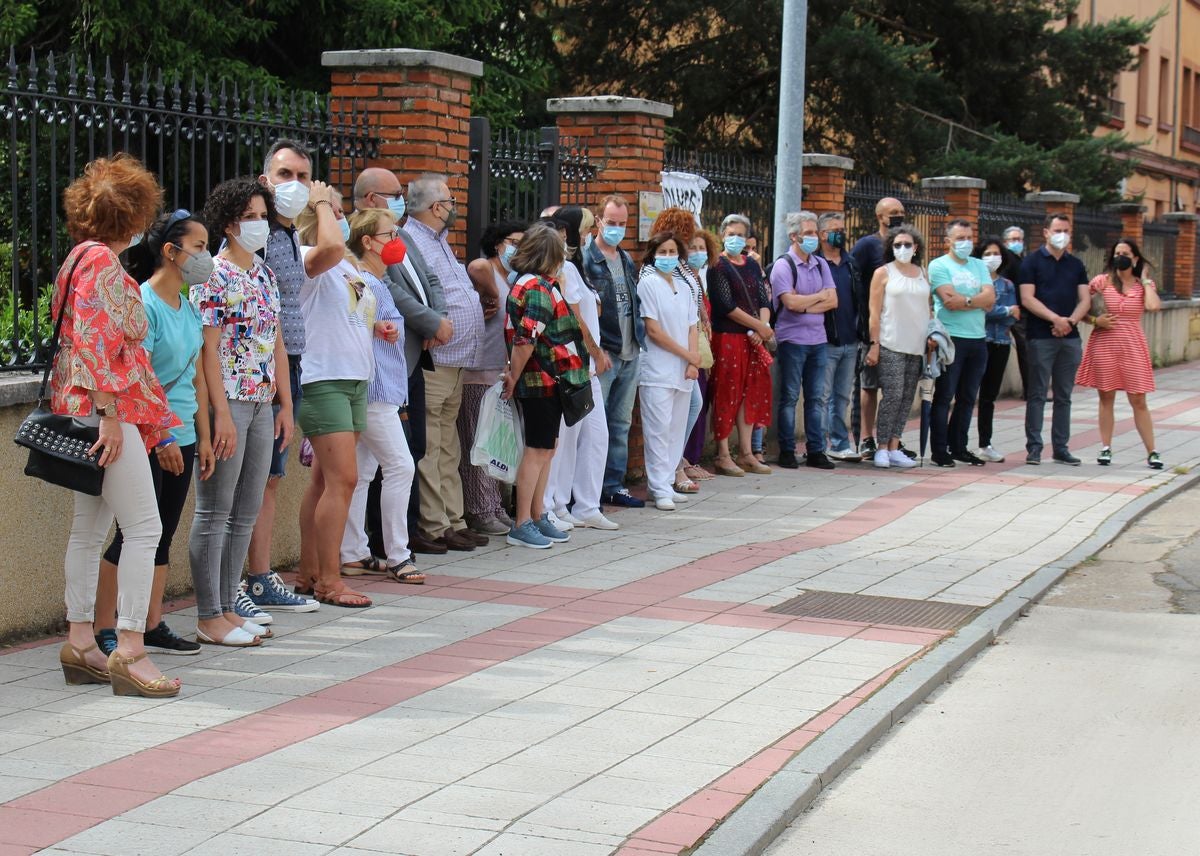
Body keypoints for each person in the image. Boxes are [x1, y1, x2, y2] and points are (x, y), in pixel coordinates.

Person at [51, 154, 182, 697]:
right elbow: (97, 345)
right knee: (144, 527)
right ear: (135, 215)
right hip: (107, 412)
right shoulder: (104, 266)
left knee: (89, 529)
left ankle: (81, 639)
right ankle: (129, 648)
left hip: (81, 407)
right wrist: (110, 417)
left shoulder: (77, 260)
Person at [93, 210, 214, 658]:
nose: (207, 257)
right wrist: (159, 437)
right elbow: (136, 379)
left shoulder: (189, 306)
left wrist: (200, 435)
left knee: (160, 533)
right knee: (132, 533)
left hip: (180, 431)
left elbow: (197, 376)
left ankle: (151, 621)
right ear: (171, 251)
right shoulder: (143, 304)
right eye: (200, 248)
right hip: (147, 434)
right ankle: (106, 625)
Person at [193, 178, 293, 647]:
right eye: (249, 217)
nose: (259, 225)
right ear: (229, 223)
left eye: (262, 216)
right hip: (229, 400)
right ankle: (209, 611)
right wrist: (220, 414)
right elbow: (207, 350)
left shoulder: (264, 273)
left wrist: (285, 404)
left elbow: (275, 341)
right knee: (216, 510)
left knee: (246, 509)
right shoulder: (213, 275)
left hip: (261, 400)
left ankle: (230, 608)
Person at [241, 140, 329, 619]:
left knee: (271, 478)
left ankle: (260, 575)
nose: (292, 185)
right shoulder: (254, 235)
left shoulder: (289, 234)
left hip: (287, 364)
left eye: (301, 177)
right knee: (252, 480)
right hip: (255, 369)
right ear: (264, 180)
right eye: (284, 175)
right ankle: (242, 579)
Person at [290, 192, 385, 608]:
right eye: (336, 211)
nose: (343, 218)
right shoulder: (309, 254)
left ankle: (310, 572)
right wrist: (322, 204)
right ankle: (330, 580)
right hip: (323, 377)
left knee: (326, 481)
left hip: (353, 378)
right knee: (344, 479)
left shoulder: (346, 265)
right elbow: (328, 247)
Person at [352, 167, 450, 557]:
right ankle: (391, 548)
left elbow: (432, 281)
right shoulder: (362, 268)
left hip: (406, 367)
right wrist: (427, 321)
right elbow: (388, 298)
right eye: (394, 194)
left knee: (403, 456)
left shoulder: (401, 236)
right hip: (376, 381)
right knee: (395, 463)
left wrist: (436, 320)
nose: (401, 202)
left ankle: (370, 545)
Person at [339, 208, 425, 582]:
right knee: (400, 466)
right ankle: (398, 555)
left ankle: (353, 551)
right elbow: (357, 325)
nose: (397, 242)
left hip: (378, 388)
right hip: (375, 390)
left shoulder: (373, 281)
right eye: (389, 235)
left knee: (363, 472)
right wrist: (379, 328)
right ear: (368, 242)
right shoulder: (366, 282)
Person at [405, 173, 487, 551]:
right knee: (433, 444)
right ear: (437, 207)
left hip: (456, 360)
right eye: (451, 201)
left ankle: (454, 518)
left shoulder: (438, 240)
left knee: (449, 444)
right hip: (436, 357)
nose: (454, 207)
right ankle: (436, 524)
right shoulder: (411, 241)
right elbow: (418, 296)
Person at [503, 222, 589, 547]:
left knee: (546, 449)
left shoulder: (537, 284)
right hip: (540, 380)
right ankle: (522, 521)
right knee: (537, 451)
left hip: (548, 381)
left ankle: (537, 515)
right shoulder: (536, 288)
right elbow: (527, 338)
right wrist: (513, 376)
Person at [544, 206, 619, 530]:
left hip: (585, 367)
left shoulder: (576, 269)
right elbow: (575, 318)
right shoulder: (566, 271)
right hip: (574, 364)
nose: (589, 235)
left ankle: (586, 504)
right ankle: (553, 504)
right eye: (587, 229)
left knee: (595, 437)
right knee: (564, 439)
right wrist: (595, 351)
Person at [1077, 239, 1164, 469]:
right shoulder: (1102, 281)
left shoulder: (1143, 285)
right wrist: (1095, 320)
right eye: (1117, 253)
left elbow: (1154, 306)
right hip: (1105, 343)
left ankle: (1152, 451)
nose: (1120, 257)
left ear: (1135, 258)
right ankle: (1105, 447)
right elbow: (1080, 305)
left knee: (1138, 398)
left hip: (1133, 345)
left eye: (1125, 253)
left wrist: (1144, 279)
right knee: (1106, 396)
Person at [583, 194, 646, 509]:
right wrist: (595, 350)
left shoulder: (626, 259)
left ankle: (613, 485)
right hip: (604, 352)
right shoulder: (586, 258)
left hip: (630, 351)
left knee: (621, 424)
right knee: (593, 425)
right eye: (611, 223)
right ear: (598, 221)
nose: (617, 229)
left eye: (622, 224)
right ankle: (586, 491)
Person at [463, 220, 525, 536]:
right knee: (478, 440)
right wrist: (488, 293)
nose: (519, 249)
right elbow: (475, 268)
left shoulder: (513, 279)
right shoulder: (486, 269)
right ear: (499, 243)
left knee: (496, 442)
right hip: (477, 370)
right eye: (515, 242)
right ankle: (479, 508)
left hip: (500, 372)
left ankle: (495, 505)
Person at [1019, 214, 1089, 466]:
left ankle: (1061, 447)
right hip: (1040, 336)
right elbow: (1027, 298)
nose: (1063, 235)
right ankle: (1034, 448)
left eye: (1067, 230)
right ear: (1046, 232)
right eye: (1058, 230)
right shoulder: (1032, 262)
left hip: (1070, 338)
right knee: (1037, 394)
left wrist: (1068, 322)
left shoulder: (1076, 264)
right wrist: (1054, 319)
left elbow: (1085, 299)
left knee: (1064, 395)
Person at [770, 211, 838, 470]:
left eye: (814, 233)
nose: (813, 238)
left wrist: (806, 304)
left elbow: (833, 300)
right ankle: (787, 450)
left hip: (818, 340)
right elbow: (789, 302)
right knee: (789, 397)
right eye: (808, 233)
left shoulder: (820, 264)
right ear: (794, 236)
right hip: (792, 340)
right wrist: (818, 297)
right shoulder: (784, 265)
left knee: (817, 398)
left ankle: (816, 450)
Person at [637, 232, 700, 510]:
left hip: (683, 371)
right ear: (653, 254)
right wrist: (688, 355)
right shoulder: (648, 284)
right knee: (658, 430)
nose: (667, 257)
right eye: (661, 252)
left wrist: (692, 361)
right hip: (657, 369)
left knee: (675, 429)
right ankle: (658, 487)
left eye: (672, 252)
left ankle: (667, 482)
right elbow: (653, 331)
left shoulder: (685, 287)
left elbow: (692, 326)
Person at [707, 213, 773, 476]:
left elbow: (763, 299)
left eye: (740, 235)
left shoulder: (753, 265)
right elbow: (725, 305)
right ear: (722, 235)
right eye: (731, 234)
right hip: (729, 338)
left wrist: (763, 328)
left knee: (749, 392)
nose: (736, 239)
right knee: (727, 393)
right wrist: (759, 327)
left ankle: (746, 452)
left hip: (754, 339)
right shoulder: (717, 265)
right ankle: (723, 453)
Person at [650, 207, 709, 493]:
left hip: (687, 352)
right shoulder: (653, 275)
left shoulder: (685, 269)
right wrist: (689, 354)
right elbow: (654, 326)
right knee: (666, 420)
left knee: (690, 407)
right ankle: (672, 468)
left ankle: (675, 463)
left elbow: (692, 308)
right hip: (667, 358)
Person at [927, 219, 995, 467]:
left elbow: (991, 298)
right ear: (948, 242)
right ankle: (939, 449)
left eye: (969, 237)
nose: (966, 242)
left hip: (978, 339)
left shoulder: (979, 265)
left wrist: (965, 301)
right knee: (945, 395)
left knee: (968, 397)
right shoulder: (938, 266)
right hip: (952, 338)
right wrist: (976, 300)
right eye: (960, 238)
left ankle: (959, 446)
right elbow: (948, 302)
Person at [864, 224, 931, 469]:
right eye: (897, 245)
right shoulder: (884, 273)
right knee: (892, 395)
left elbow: (928, 307)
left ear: (916, 248)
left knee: (906, 397)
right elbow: (874, 312)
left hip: (917, 344)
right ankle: (881, 446)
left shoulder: (923, 272)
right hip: (891, 342)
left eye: (907, 244)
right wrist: (875, 344)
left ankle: (895, 445)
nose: (902, 249)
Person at [851, 197, 906, 458]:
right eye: (892, 212)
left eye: (901, 212)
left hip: (901, 329)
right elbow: (854, 281)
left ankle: (892, 438)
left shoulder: (906, 244)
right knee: (869, 386)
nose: (897, 216)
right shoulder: (867, 246)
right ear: (879, 216)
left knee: (897, 389)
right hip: (872, 328)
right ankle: (866, 437)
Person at [816, 211, 864, 462]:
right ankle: (819, 445)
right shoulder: (815, 262)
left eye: (842, 229)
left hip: (850, 339)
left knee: (842, 396)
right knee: (821, 396)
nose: (841, 234)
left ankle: (840, 443)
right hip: (824, 340)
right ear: (822, 234)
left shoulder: (851, 262)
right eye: (836, 229)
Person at [973, 237, 1021, 462]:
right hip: (978, 339)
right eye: (987, 254)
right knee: (967, 393)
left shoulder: (1007, 285)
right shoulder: (974, 282)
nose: (993, 258)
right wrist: (1006, 310)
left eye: (996, 253)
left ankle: (985, 443)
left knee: (989, 396)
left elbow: (1014, 316)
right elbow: (983, 311)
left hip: (1000, 343)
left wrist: (1002, 311)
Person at [682, 229, 720, 481]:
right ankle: (683, 460)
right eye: (693, 248)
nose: (698, 253)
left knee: (700, 405)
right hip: (690, 351)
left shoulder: (699, 280)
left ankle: (692, 459)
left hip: (703, 350)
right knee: (690, 406)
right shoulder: (686, 280)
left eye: (702, 248)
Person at [1002, 225, 1030, 398]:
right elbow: (1006, 285)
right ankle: (1029, 390)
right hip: (1013, 310)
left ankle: (1029, 389)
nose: (1017, 243)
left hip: (1021, 310)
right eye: (1013, 239)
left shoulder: (1020, 259)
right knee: (1025, 349)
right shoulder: (1008, 259)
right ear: (1005, 242)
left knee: (1026, 350)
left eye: (1019, 239)